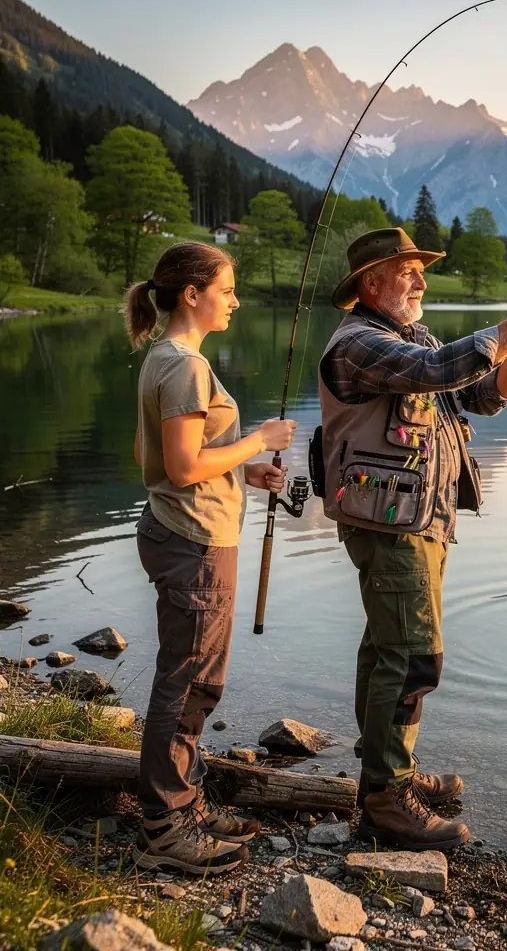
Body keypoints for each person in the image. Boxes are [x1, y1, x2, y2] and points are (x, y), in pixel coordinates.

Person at [318, 226, 507, 850]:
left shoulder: (413, 337)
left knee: (389, 649)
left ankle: (385, 774)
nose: (421, 280)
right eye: (408, 271)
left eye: (419, 270)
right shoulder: (359, 344)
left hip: (421, 519)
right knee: (411, 656)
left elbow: (479, 396)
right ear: (371, 283)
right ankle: (386, 799)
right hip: (391, 524)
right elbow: (438, 370)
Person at [124, 241, 297, 875]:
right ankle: (165, 825)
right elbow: (182, 465)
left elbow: (172, 466)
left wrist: (243, 471)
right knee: (191, 681)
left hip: (182, 529)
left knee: (192, 677)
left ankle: (182, 805)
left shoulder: (164, 359)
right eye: (227, 289)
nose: (236, 300)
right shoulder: (186, 367)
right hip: (195, 542)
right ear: (192, 294)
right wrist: (260, 438)